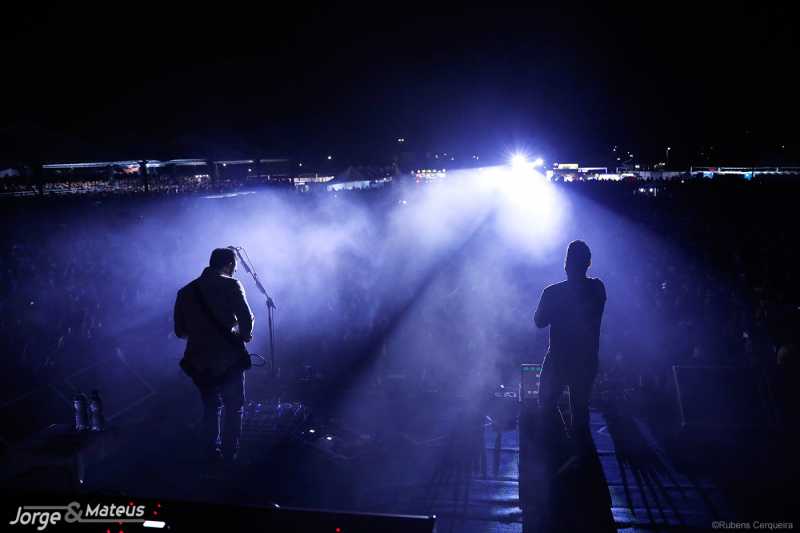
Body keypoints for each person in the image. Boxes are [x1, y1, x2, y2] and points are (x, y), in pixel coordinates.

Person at [174, 247, 255, 462]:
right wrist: (244, 335)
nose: (235, 271)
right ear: (229, 264)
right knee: (234, 407)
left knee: (211, 408)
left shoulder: (185, 292)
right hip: (228, 359)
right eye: (234, 267)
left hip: (200, 362)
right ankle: (230, 455)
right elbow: (246, 319)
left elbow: (180, 331)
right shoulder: (230, 284)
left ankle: (211, 455)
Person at [534, 240, 606, 460]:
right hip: (584, 359)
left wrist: (556, 304)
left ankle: (562, 449)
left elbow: (539, 321)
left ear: (566, 265)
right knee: (580, 410)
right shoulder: (596, 288)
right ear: (587, 264)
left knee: (546, 403)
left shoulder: (553, 292)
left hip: (559, 358)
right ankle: (581, 458)